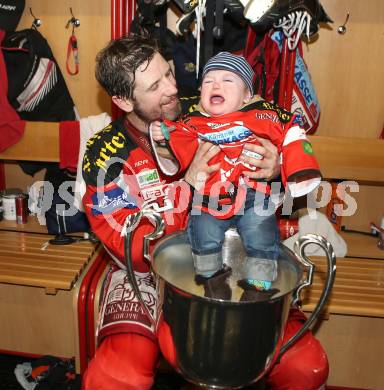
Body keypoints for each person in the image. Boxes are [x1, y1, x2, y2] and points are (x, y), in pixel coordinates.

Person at [81, 33, 328, 390]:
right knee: (116, 377)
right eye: (155, 86)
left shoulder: (212, 104)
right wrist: (189, 188)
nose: (171, 89)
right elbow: (131, 247)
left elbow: (281, 139)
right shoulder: (105, 156)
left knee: (307, 367)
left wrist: (277, 169)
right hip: (151, 276)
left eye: (168, 73)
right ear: (122, 99)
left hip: (244, 254)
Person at [150, 51, 321, 300]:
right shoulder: (193, 121)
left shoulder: (262, 115)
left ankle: (259, 287)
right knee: (202, 232)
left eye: (228, 80)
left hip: (253, 194)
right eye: (208, 81)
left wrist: (293, 167)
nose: (216, 84)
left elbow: (292, 129)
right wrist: (163, 134)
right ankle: (211, 278)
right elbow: (176, 145)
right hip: (211, 197)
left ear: (246, 96)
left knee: (261, 233)